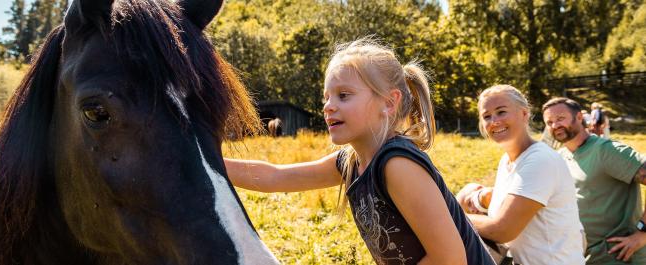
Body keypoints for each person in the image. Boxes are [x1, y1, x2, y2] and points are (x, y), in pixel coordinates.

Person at [225, 39, 494, 265]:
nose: (328, 106)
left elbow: (450, 259)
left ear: (388, 103)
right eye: (326, 97)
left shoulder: (397, 164)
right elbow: (276, 177)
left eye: (343, 95)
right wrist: (204, 160)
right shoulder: (352, 162)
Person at [456, 85, 586, 265]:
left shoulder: (540, 160)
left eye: (501, 112)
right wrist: (478, 196)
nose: (494, 121)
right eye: (486, 116)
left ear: (524, 114)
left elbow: (502, 230)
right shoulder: (507, 161)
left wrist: (450, 216)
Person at [542, 97, 646, 264]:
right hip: (585, 257)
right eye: (549, 122)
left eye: (561, 118)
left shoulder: (606, 151)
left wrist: (642, 234)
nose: (555, 125)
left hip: (619, 257)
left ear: (579, 117)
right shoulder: (561, 157)